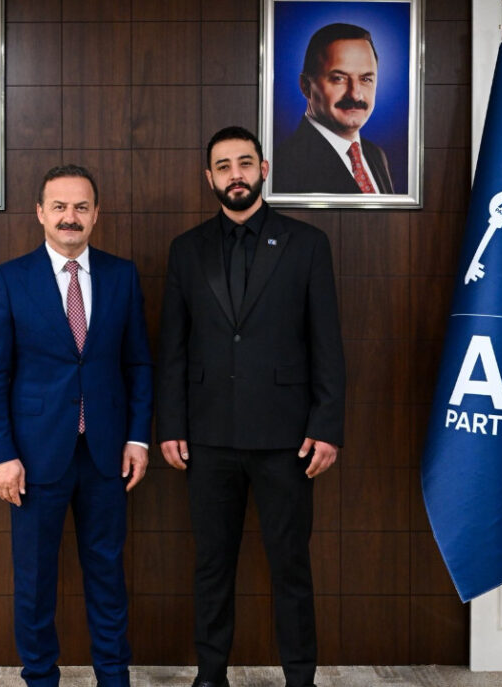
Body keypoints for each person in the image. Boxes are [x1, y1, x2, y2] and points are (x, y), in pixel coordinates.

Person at [157, 127, 346, 687]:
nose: (234, 174)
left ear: (263, 169)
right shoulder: (186, 249)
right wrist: (170, 424)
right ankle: (210, 674)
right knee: (212, 565)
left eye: (244, 163)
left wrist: (327, 425)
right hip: (207, 437)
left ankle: (300, 678)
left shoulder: (307, 244)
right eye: (223, 166)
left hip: (288, 439)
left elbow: (327, 344)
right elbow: (173, 348)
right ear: (209, 178)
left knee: (290, 566)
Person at [0, 165, 153, 687]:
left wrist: (138, 437)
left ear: (96, 214)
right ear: (40, 213)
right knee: (34, 582)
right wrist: (1, 454)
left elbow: (139, 363)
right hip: (32, 459)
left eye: (80, 207)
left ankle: (113, 678)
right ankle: (39, 679)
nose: (69, 217)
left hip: (106, 454)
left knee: (107, 576)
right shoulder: (9, 279)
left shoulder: (122, 275)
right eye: (59, 207)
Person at [272, 23, 394, 195]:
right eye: (339, 78)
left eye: (365, 79)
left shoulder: (376, 155)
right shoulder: (284, 165)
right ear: (306, 86)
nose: (355, 95)